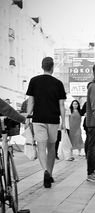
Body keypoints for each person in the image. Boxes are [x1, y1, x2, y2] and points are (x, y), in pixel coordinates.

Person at [26, 57, 66, 188]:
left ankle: (45, 171)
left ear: (42, 66)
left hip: (38, 119)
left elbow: (31, 102)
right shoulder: (58, 83)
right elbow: (61, 105)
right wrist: (64, 122)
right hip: (53, 120)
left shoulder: (34, 81)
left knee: (41, 147)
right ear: (52, 67)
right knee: (51, 147)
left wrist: (27, 116)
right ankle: (50, 173)